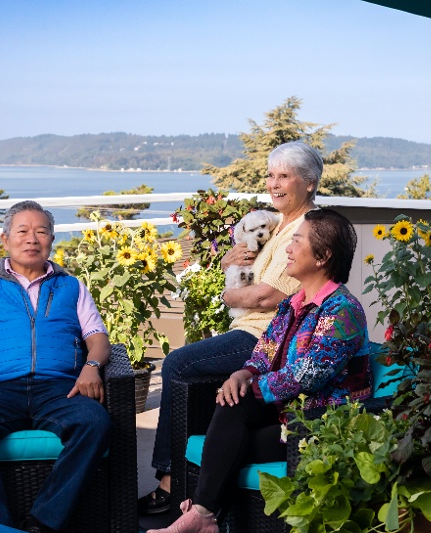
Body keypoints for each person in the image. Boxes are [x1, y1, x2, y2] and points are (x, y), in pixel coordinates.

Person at [149, 208, 371, 533]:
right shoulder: (293, 304)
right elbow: (264, 350)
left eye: (296, 241)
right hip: (285, 416)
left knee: (227, 444)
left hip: (318, 425)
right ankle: (204, 516)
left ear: (322, 256)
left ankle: (203, 514)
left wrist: (254, 386)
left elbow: (308, 373)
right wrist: (243, 374)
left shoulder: (342, 310)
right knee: (232, 403)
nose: (288, 249)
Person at [139, 141, 323, 515]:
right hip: (251, 328)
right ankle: (192, 474)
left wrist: (227, 295)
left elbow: (267, 296)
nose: (274, 183)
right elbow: (248, 272)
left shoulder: (307, 229)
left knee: (177, 364)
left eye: (284, 176)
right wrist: (228, 261)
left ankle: (172, 478)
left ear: (309, 182)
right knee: (194, 367)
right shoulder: (275, 223)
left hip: (268, 336)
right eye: (271, 175)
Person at [0, 200, 112, 533]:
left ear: (51, 241)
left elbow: (99, 339)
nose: (32, 239)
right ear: (6, 240)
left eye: (41, 231)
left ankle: (43, 522)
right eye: (22, 231)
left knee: (94, 422)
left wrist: (92, 365)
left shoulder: (71, 286)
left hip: (59, 389)